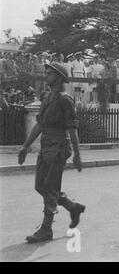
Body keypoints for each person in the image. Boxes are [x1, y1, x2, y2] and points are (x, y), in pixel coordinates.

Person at [18, 62, 85, 243]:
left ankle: (46, 229)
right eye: (46, 72)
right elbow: (40, 124)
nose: (45, 76)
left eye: (49, 73)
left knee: (49, 188)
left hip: (59, 148)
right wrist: (25, 146)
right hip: (46, 146)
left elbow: (72, 129)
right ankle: (73, 207)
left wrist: (78, 155)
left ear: (60, 77)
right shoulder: (47, 97)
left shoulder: (65, 100)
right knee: (40, 186)